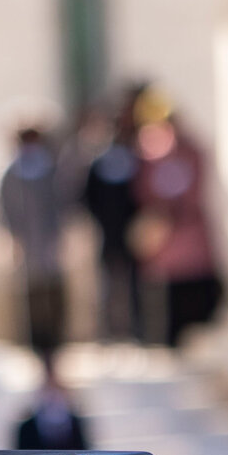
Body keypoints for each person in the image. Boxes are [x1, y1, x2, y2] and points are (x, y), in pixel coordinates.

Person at [129, 95, 223, 347]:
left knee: (198, 310)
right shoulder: (147, 157)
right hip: (166, 251)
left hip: (191, 244)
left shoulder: (190, 151)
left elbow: (194, 189)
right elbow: (144, 193)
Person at [0, 125, 68, 356]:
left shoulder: (52, 171)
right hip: (26, 250)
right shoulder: (12, 174)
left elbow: (63, 205)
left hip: (51, 248)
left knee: (54, 299)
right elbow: (5, 209)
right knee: (31, 302)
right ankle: (36, 348)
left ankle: (56, 347)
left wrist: (60, 237)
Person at [82, 100, 141, 343]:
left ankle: (136, 331)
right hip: (107, 232)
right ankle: (109, 333)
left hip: (132, 233)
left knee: (134, 285)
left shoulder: (135, 160)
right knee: (107, 285)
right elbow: (88, 197)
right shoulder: (99, 163)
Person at [13, 354, 88, 450]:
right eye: (48, 389)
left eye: (56, 389)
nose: (52, 395)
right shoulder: (26, 428)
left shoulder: (75, 424)